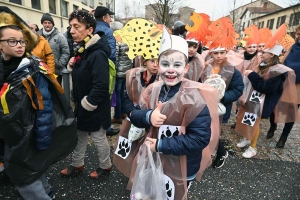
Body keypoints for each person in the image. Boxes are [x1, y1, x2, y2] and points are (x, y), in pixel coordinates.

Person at [128, 29, 219, 199]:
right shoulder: (151, 91)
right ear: (158, 65)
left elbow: (199, 138)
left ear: (186, 68)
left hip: (183, 165)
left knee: (174, 194)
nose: (171, 70)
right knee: (153, 192)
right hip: (154, 159)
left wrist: (162, 145)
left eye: (177, 65)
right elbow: (135, 116)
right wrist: (149, 116)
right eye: (165, 64)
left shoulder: (194, 97)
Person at [0, 6, 77, 199]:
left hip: (28, 133)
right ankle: (47, 190)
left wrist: (42, 140)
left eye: (22, 41)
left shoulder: (32, 70)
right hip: (9, 132)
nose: (19, 45)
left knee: (24, 175)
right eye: (13, 41)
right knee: (32, 166)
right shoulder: (5, 68)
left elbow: (44, 108)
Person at [60, 10, 114, 178]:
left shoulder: (97, 53)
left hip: (94, 105)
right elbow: (84, 73)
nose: (72, 31)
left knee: (98, 137)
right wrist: (73, 65)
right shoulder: (84, 49)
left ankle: (106, 165)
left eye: (77, 26)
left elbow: (101, 84)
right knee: (80, 135)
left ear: (90, 30)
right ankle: (77, 164)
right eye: (70, 27)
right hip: (83, 105)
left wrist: (88, 103)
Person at [200, 17, 244, 168]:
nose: (219, 56)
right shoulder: (204, 67)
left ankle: (220, 152)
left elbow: (238, 89)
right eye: (215, 53)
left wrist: (223, 96)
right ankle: (207, 152)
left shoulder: (232, 71)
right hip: (205, 106)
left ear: (226, 51)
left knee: (216, 132)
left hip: (221, 108)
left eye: (222, 52)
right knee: (205, 130)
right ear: (210, 53)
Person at [113, 56, 158, 177]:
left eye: (158, 61)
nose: (155, 64)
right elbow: (126, 96)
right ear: (144, 62)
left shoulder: (162, 80)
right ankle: (132, 172)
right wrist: (131, 112)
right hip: (133, 117)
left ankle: (144, 175)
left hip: (151, 121)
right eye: (152, 61)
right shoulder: (135, 76)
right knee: (132, 145)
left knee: (147, 150)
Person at [266, 25, 300, 148]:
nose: (298, 36)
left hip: (298, 85)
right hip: (284, 80)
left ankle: (284, 137)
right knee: (273, 105)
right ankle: (273, 125)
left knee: (291, 111)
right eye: (297, 34)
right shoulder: (292, 46)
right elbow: (283, 60)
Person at [38, 13, 69, 84]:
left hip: (56, 71)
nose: (47, 25)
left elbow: (65, 52)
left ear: (52, 24)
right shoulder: (37, 36)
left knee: (56, 91)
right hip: (41, 70)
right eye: (45, 23)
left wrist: (59, 64)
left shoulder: (60, 37)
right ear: (42, 24)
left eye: (49, 23)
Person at [110, 21, 131, 124]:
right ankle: (123, 112)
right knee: (122, 92)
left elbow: (115, 57)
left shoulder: (116, 40)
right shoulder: (127, 39)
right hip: (126, 71)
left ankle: (117, 116)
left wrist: (113, 70)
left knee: (117, 94)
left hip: (119, 72)